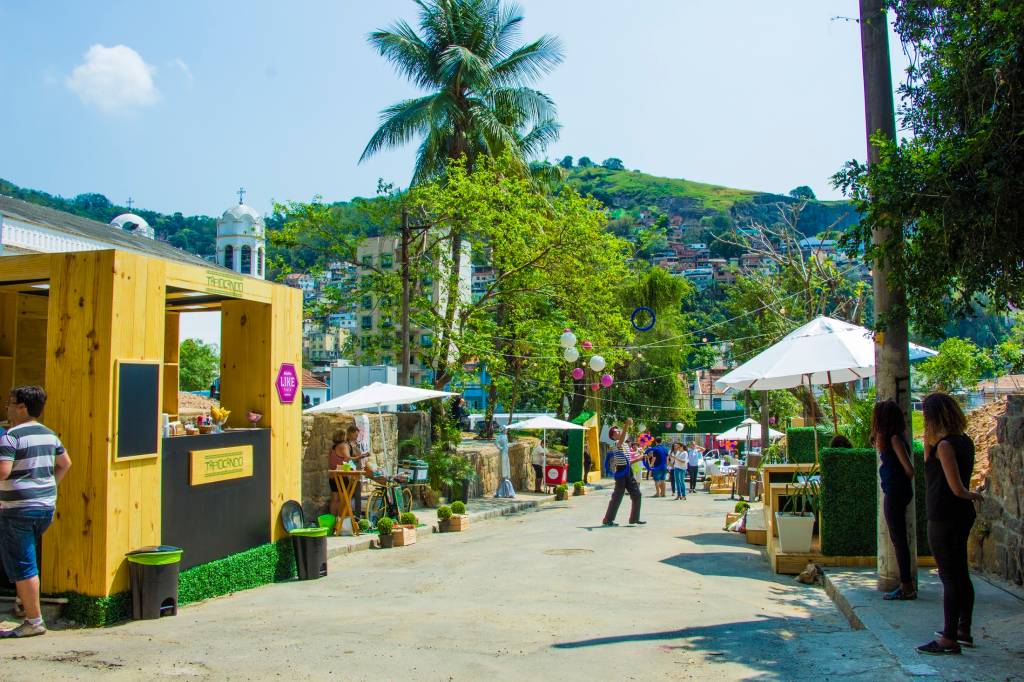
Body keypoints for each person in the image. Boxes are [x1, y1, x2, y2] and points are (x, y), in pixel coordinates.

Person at [0, 386, 72, 638]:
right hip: (45, 507)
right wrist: (48, 487)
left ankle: (33, 620)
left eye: (10, 403)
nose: (7, 407)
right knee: (25, 558)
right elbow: (65, 464)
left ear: (22, 407)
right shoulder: (49, 434)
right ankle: (25, 604)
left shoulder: (11, 436)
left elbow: (3, 471)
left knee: (23, 564)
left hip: (17, 508)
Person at [917, 392, 983, 656]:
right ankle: (962, 629)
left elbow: (956, 487)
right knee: (960, 573)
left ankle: (948, 637)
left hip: (945, 514)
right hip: (959, 514)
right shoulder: (964, 442)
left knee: (949, 576)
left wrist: (974, 494)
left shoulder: (945, 446)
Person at [872, 400, 917, 602]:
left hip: (895, 492)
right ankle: (906, 585)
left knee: (899, 541)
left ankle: (906, 586)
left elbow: (909, 469)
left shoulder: (895, 440)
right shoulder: (892, 439)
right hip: (896, 491)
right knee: (897, 540)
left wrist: (895, 476)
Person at [601, 423, 644, 527]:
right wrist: (626, 425)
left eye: (618, 430)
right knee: (617, 496)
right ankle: (607, 519)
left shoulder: (625, 445)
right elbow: (623, 437)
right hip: (621, 471)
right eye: (616, 431)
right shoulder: (616, 443)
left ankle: (634, 518)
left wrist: (638, 459)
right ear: (613, 436)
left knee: (637, 494)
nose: (619, 431)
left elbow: (627, 460)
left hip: (628, 470)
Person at [345, 425, 371, 518]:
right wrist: (361, 456)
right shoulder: (347, 444)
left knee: (357, 496)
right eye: (355, 435)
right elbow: (348, 459)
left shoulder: (355, 443)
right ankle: (353, 517)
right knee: (353, 495)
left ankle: (357, 516)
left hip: (358, 473)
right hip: (351, 474)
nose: (357, 437)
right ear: (350, 433)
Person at [327, 430, 349, 517]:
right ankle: (341, 522)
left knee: (334, 498)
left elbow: (330, 463)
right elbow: (347, 458)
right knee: (343, 499)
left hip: (332, 476)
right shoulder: (343, 446)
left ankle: (333, 521)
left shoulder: (332, 448)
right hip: (341, 476)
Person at [494, 427, 515, 498]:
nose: (506, 430)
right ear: (503, 430)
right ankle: (501, 491)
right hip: (502, 453)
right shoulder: (499, 436)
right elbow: (496, 443)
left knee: (506, 466)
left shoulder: (506, 436)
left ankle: (506, 491)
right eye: (505, 429)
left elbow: (506, 444)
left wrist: (511, 444)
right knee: (503, 468)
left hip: (506, 453)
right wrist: (500, 448)